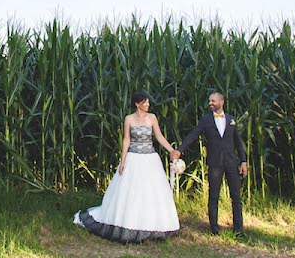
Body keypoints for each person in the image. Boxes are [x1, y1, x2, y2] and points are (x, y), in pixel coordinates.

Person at [74, 92, 180, 243]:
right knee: (132, 191)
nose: (148, 105)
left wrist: (171, 150)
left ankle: (154, 225)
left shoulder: (152, 118)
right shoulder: (129, 119)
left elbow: (159, 136)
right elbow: (126, 140)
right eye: (145, 102)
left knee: (151, 191)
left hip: (150, 158)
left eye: (148, 102)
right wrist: (123, 161)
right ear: (137, 104)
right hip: (133, 158)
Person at [172, 92, 248, 236]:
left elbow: (238, 142)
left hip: (231, 162)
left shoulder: (231, 119)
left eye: (213, 100)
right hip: (215, 163)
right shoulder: (206, 120)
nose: (210, 103)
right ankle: (214, 228)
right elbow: (193, 135)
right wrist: (179, 150)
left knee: (236, 197)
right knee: (213, 195)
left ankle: (238, 229)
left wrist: (243, 161)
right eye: (209, 101)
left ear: (221, 101)